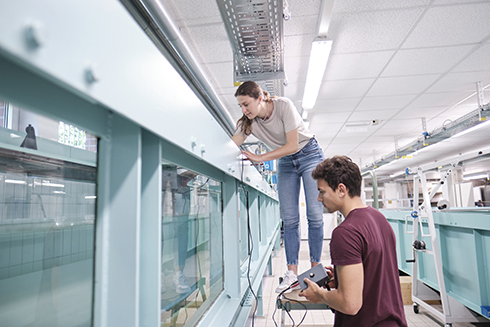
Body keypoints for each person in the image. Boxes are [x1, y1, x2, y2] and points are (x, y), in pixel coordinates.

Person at [231, 80, 325, 293]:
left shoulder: (283, 105)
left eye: (247, 104)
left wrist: (260, 157)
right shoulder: (248, 122)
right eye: (241, 106)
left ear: (260, 98)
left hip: (308, 153)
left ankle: (316, 271)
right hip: (286, 162)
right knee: (290, 219)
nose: (244, 110)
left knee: (315, 215)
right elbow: (232, 144)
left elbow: (292, 145)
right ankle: (292, 273)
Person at [299, 155, 407, 327]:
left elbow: (349, 304)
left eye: (322, 191)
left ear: (341, 190)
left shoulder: (345, 233)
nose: (319, 199)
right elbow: (376, 274)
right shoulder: (380, 219)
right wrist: (342, 279)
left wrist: (318, 293)